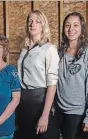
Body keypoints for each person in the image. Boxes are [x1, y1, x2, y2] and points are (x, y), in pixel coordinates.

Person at [14, 10, 60, 139]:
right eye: (30, 21)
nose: (32, 24)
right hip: (23, 102)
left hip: (40, 101)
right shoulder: (24, 49)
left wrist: (45, 115)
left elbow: (52, 84)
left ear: (43, 25)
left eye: (37, 21)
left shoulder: (49, 49)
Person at [56, 12, 88, 139]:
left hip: (78, 113)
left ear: (82, 28)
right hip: (60, 111)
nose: (71, 29)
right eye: (67, 25)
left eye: (75, 25)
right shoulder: (59, 52)